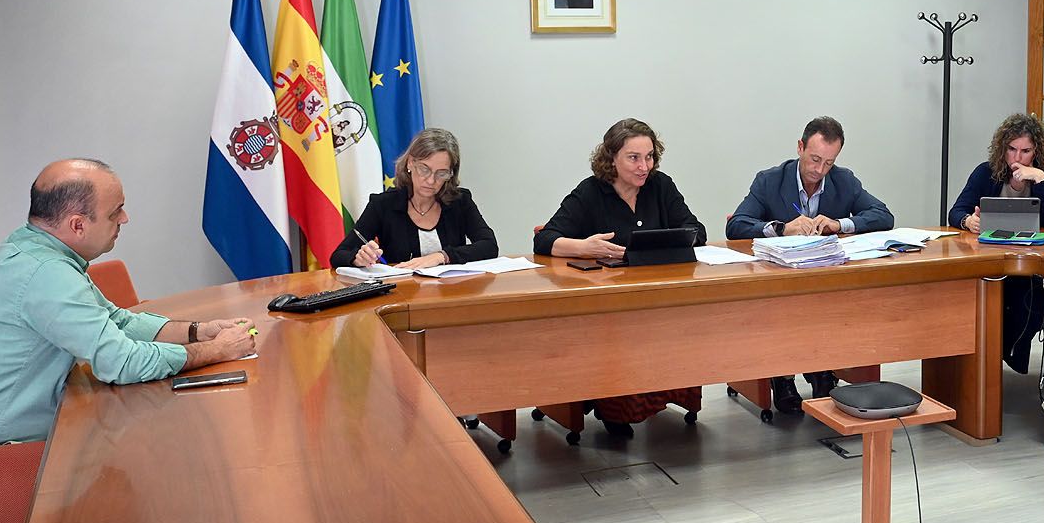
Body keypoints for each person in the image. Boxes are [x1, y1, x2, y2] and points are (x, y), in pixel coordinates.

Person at [0, 159, 259, 447]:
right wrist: (218, 350)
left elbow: (118, 322)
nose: (125, 218)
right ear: (78, 225)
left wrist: (199, 331)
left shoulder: (27, 247)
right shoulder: (48, 273)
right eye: (114, 212)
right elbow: (122, 363)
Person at [534, 119, 707, 437]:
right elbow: (545, 240)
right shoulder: (590, 192)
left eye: (650, 157)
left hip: (658, 297)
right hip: (608, 304)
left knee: (684, 323)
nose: (644, 166)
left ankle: (662, 396)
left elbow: (697, 232)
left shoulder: (661, 185)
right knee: (623, 330)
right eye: (634, 158)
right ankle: (615, 409)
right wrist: (585, 247)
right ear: (611, 157)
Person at [727, 115, 895, 413]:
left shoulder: (844, 180)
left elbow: (883, 215)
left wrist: (840, 223)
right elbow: (737, 225)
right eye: (815, 159)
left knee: (835, 307)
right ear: (800, 147)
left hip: (825, 281)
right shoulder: (770, 180)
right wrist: (781, 228)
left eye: (828, 163)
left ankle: (821, 369)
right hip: (779, 283)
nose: (820, 170)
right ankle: (782, 375)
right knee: (786, 309)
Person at [950, 112, 1044, 375]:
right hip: (990, 254)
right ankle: (998, 353)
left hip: (1030, 257)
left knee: (1031, 295)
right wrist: (969, 221)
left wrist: (1039, 180)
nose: (1017, 157)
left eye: (1025, 151)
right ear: (1003, 149)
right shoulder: (985, 173)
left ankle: (1014, 349)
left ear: (1036, 152)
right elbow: (955, 211)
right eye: (1012, 149)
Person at [330, 127, 497, 270]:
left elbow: (489, 245)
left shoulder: (460, 201)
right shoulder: (383, 205)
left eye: (441, 173)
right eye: (424, 169)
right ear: (410, 163)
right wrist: (357, 258)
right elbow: (338, 256)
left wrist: (442, 256)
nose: (431, 180)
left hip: (452, 295)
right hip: (402, 296)